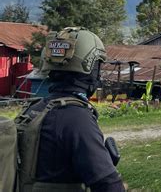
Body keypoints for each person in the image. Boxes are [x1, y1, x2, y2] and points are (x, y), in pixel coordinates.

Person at [15, 27, 125, 192]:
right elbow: (109, 185)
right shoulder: (76, 119)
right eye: (98, 66)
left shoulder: (33, 109)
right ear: (90, 67)